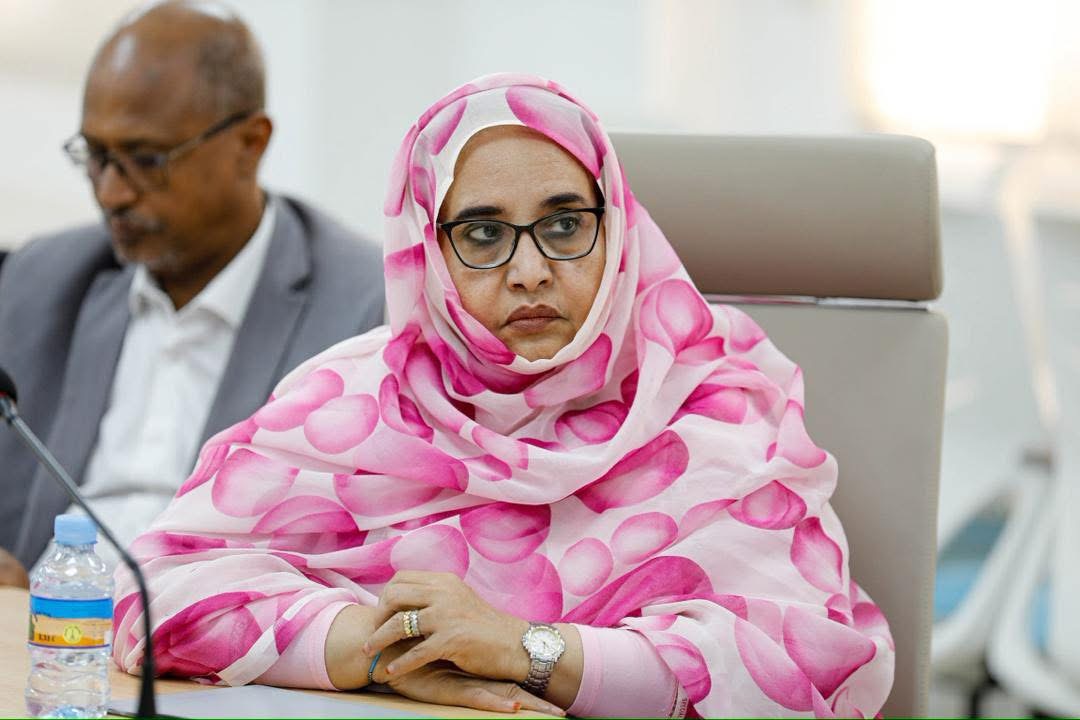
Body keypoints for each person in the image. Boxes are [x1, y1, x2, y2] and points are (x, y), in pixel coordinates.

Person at [113, 74, 894, 717]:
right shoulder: (351, 398)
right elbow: (151, 593)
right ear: (429, 252)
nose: (529, 272)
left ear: (617, 228)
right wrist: (385, 651)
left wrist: (525, 650)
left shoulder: (715, 397)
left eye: (565, 225)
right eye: (483, 235)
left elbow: (802, 668)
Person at [0, 1, 384, 582]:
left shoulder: (361, 309)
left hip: (218, 631)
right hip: (47, 624)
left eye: (145, 160)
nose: (111, 193)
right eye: (96, 157)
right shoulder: (43, 278)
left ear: (250, 143)